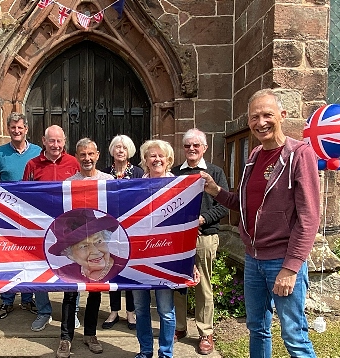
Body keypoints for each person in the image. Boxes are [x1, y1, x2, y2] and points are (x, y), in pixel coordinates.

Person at [199, 88, 320, 358]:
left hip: (282, 260)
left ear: (282, 115)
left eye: (267, 115)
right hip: (253, 259)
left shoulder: (299, 154)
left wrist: (291, 267)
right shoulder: (253, 156)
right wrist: (216, 191)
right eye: (254, 117)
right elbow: (243, 205)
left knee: (293, 333)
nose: (260, 122)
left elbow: (309, 217)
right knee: (257, 328)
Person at [50, 138, 115, 358]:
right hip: (76, 246)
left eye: (90, 154)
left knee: (95, 293)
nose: (87, 159)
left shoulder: (110, 181)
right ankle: (65, 338)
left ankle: (90, 334)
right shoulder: (69, 183)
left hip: (98, 240)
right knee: (69, 293)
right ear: (76, 157)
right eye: (82, 155)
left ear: (97, 155)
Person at [133, 139, 198, 358]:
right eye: (152, 155)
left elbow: (187, 230)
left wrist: (191, 261)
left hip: (165, 258)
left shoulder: (180, 188)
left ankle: (166, 353)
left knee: (165, 310)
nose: (157, 159)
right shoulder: (134, 187)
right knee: (141, 309)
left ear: (169, 160)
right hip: (138, 258)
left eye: (161, 156)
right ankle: (145, 351)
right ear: (145, 160)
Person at [171, 128, 228, 356]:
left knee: (203, 286)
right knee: (178, 284)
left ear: (204, 148)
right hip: (178, 238)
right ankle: (179, 327)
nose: (192, 149)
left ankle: (205, 332)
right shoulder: (174, 173)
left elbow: (223, 205)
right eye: (187, 146)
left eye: (196, 145)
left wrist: (201, 220)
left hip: (204, 237)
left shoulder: (214, 172)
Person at [22, 125, 80, 333]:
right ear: (43, 141)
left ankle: (71, 312)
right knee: (41, 268)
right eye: (51, 141)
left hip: (70, 224)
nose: (56, 145)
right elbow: (24, 195)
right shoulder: (32, 164)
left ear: (64, 141)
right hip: (41, 226)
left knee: (74, 265)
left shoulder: (74, 163)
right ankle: (43, 311)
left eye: (59, 141)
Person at [0, 113, 41, 320]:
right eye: (12, 127)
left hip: (31, 214)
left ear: (26, 129)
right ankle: (7, 300)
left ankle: (28, 299)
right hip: (6, 214)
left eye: (20, 127)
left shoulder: (37, 151)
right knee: (8, 258)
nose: (16, 131)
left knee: (30, 256)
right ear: (8, 129)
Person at [100, 135, 141, 330]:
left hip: (132, 229)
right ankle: (114, 310)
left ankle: (131, 312)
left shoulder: (139, 173)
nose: (120, 150)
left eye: (124, 148)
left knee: (130, 271)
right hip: (109, 229)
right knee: (112, 269)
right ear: (112, 150)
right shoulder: (104, 173)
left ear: (129, 151)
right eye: (117, 147)